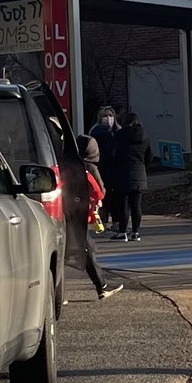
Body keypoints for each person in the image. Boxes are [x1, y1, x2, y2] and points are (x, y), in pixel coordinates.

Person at [75, 134, 122, 299]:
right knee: (88, 250)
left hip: (67, 211)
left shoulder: (70, 164)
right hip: (79, 213)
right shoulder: (90, 168)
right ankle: (102, 286)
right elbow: (99, 191)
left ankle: (101, 285)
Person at [111, 112, 153, 241]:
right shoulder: (145, 136)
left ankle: (122, 232)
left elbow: (113, 153)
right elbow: (150, 156)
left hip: (122, 173)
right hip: (139, 173)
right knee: (136, 205)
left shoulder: (120, 135)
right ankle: (136, 232)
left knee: (123, 205)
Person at [88, 106, 120, 226]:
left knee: (114, 197)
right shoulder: (98, 132)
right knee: (103, 195)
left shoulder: (116, 131)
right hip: (102, 168)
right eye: (105, 116)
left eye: (110, 116)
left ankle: (114, 221)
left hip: (113, 169)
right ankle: (104, 221)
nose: (108, 119)